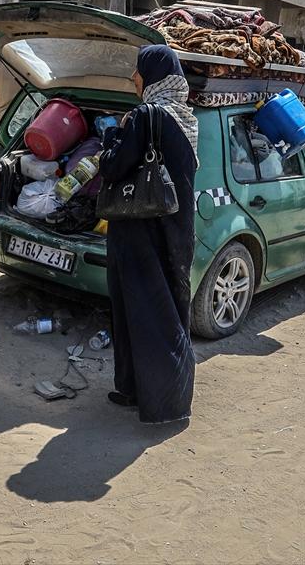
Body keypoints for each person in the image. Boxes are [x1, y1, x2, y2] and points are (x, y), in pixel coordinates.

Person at [97, 45, 197, 425]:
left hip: (139, 233)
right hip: (175, 232)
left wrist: (112, 136)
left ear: (152, 76)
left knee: (136, 312)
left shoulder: (143, 116)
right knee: (168, 311)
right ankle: (156, 393)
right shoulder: (186, 118)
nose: (135, 79)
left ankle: (154, 401)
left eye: (138, 72)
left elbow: (113, 169)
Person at [0, 57, 40, 138]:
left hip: (2, 121)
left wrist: (0, 105)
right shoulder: (32, 59)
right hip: (28, 120)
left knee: (2, 150)